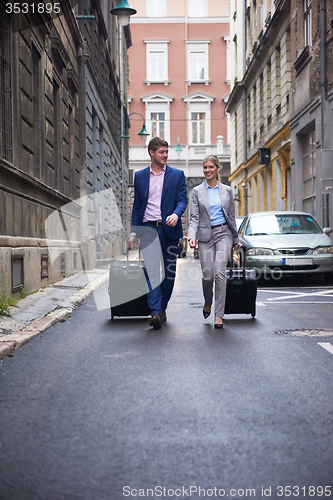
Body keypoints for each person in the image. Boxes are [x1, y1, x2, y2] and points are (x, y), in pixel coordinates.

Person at [128, 137, 188, 329]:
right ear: (151, 153)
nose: (165, 155)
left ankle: (162, 307)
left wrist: (176, 215)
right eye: (162, 152)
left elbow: (182, 200)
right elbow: (137, 207)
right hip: (148, 229)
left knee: (169, 273)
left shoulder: (177, 175)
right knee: (153, 271)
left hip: (169, 229)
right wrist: (133, 233)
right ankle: (154, 311)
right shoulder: (139, 176)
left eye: (167, 152)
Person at [188, 155, 240, 329]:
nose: (207, 170)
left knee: (220, 272)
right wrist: (191, 236)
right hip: (204, 237)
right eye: (205, 167)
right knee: (208, 276)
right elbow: (194, 217)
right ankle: (207, 302)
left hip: (223, 233)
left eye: (211, 167)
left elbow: (231, 216)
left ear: (217, 169)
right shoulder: (196, 191)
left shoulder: (227, 190)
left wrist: (235, 239)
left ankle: (219, 315)